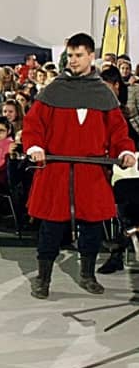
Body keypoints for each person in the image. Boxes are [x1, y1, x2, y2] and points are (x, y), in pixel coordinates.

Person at [23, 33, 136, 300]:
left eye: (79, 55)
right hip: (56, 170)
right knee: (51, 227)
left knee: (93, 226)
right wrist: (35, 146)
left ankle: (87, 274)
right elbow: (33, 125)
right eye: (70, 55)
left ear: (91, 57)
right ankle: (43, 277)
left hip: (91, 171)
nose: (73, 60)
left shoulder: (103, 94)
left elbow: (118, 131)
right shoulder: (53, 90)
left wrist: (125, 151)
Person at [97, 66, 139, 274]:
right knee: (122, 202)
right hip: (118, 169)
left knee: (126, 200)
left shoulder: (124, 113)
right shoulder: (102, 112)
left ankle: (119, 245)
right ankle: (121, 243)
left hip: (132, 166)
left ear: (116, 86)